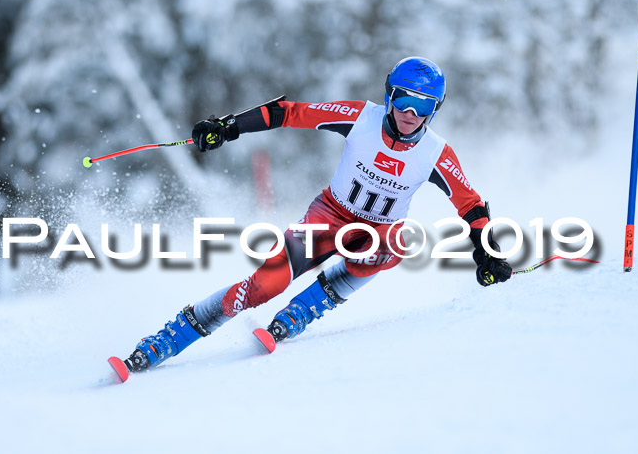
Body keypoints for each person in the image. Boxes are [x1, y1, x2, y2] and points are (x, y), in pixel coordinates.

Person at [120, 57, 512, 372]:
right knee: (263, 286)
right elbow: (291, 113)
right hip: (329, 217)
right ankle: (167, 340)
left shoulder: (435, 153)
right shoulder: (361, 117)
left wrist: (488, 254)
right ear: (389, 95)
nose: (410, 112)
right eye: (403, 98)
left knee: (393, 244)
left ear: (435, 109)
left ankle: (305, 308)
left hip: (378, 233)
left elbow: (471, 205)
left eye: (423, 105)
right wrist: (228, 127)